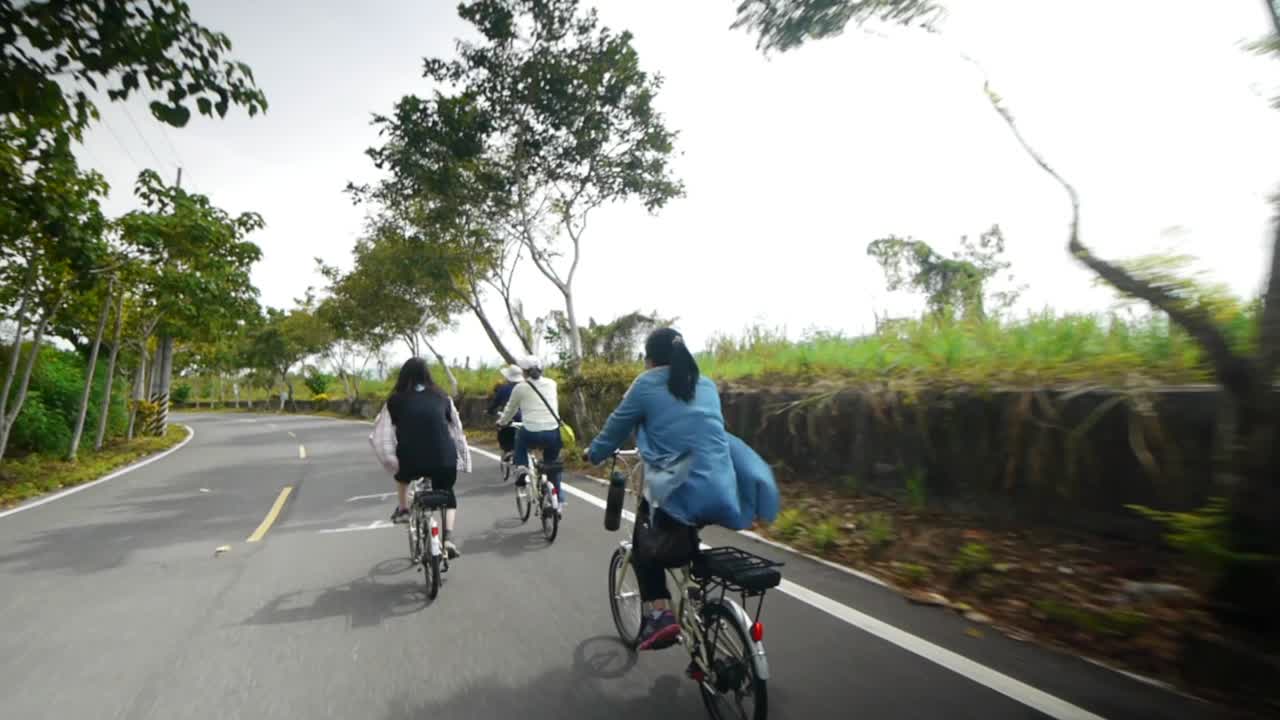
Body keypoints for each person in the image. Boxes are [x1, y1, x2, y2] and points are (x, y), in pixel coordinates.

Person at [583, 328, 779, 651]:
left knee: (644, 545)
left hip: (678, 490)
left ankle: (661, 616)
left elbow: (615, 428)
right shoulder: (706, 384)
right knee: (682, 530)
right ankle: (695, 600)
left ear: (648, 359)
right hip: (723, 489)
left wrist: (593, 454)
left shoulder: (645, 384)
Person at [384, 357, 466, 559]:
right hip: (444, 457)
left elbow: (388, 431)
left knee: (402, 478)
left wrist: (391, 455)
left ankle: (404, 510)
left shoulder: (395, 400)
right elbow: (455, 427)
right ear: (427, 374)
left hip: (411, 458)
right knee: (448, 496)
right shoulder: (442, 396)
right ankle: (448, 539)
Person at [495, 354, 566, 513]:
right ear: (541, 369)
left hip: (531, 432)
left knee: (519, 439)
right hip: (553, 432)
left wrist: (502, 423)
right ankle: (559, 501)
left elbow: (510, 409)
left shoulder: (520, 388)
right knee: (552, 465)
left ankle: (522, 469)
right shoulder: (552, 384)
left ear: (524, 372)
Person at [487, 365, 524, 462]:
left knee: (503, 430)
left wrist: (489, 411)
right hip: (527, 418)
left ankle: (508, 450)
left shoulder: (504, 389)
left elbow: (495, 403)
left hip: (510, 417)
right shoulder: (527, 387)